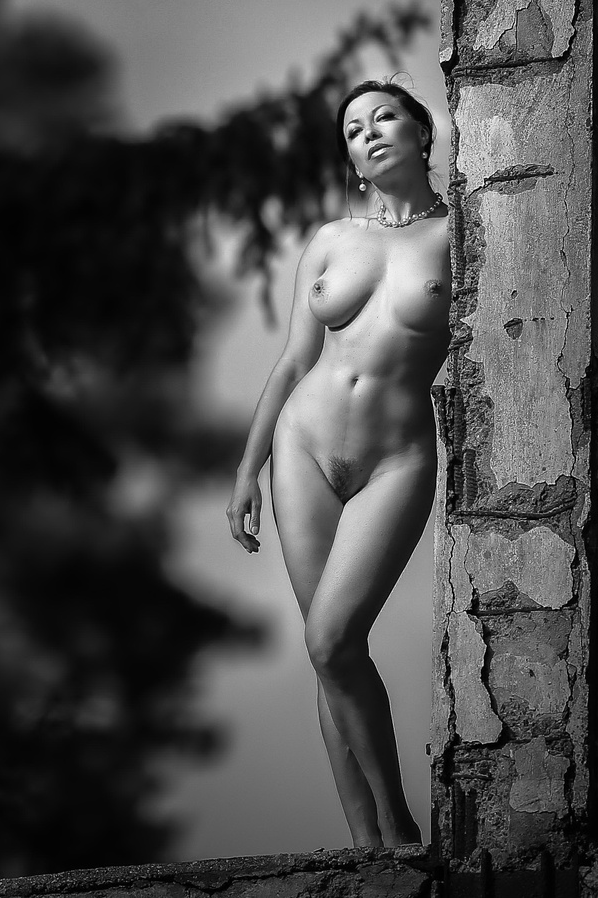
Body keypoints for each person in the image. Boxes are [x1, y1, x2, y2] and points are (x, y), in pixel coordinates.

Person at [225, 79, 451, 848]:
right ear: (351, 159)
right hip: (303, 447)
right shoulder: (329, 239)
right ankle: (365, 847)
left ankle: (398, 827)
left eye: (385, 117)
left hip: (397, 458)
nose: (370, 132)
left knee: (330, 639)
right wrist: (247, 468)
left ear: (421, 132)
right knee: (332, 654)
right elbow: (294, 359)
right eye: (354, 129)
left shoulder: (463, 234)